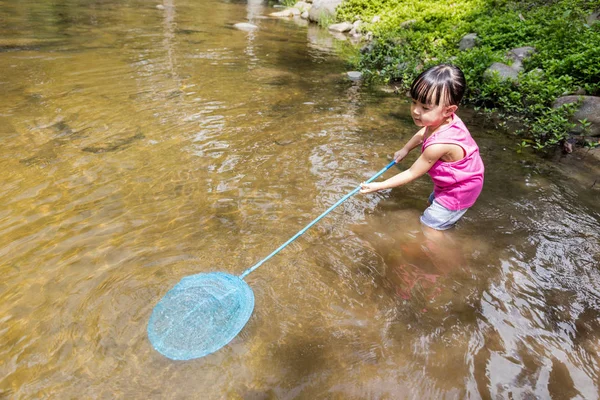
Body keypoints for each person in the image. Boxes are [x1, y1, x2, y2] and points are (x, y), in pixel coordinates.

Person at [360, 64, 484, 233]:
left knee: (429, 227)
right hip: (457, 181)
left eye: (425, 107)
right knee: (432, 205)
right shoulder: (441, 121)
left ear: (449, 110)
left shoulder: (439, 146)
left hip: (458, 191)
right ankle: (447, 219)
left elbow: (412, 173)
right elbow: (424, 133)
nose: (416, 111)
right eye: (413, 102)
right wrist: (406, 149)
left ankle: (447, 256)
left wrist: (379, 185)